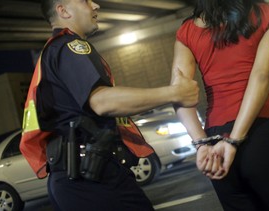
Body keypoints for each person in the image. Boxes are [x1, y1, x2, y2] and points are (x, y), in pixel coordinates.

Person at [20, 0, 199, 210]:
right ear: (63, 10)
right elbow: (102, 102)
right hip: (93, 178)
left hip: (73, 176)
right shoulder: (70, 47)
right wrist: (174, 92)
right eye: (85, 1)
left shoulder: (51, 52)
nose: (95, 5)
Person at [171, 0, 269, 210]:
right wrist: (234, 141)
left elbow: (179, 94)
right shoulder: (266, 14)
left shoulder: (187, 31)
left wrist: (201, 143)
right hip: (263, 131)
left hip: (215, 142)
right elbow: (261, 77)